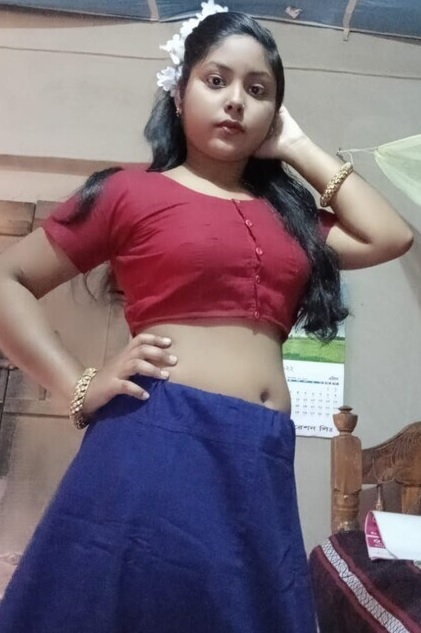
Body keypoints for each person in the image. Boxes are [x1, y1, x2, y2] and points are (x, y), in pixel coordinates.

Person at [0, 4, 413, 633]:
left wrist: (297, 146)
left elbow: (389, 235)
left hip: (260, 453)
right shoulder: (129, 192)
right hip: (157, 437)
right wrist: (77, 385)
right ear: (178, 92)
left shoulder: (291, 220)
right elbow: (8, 280)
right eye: (216, 80)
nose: (236, 101)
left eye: (258, 90)